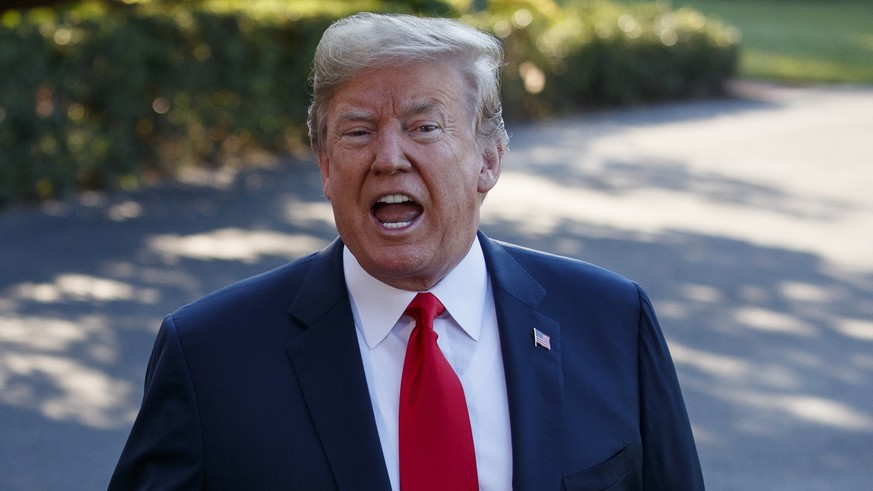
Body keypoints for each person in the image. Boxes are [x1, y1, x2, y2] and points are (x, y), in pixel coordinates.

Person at [109, 12, 704, 490]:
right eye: (358, 131)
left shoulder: (612, 321)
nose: (389, 157)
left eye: (425, 127)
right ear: (323, 165)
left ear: (488, 159)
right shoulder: (210, 356)